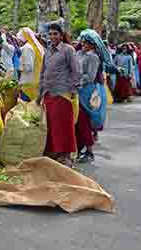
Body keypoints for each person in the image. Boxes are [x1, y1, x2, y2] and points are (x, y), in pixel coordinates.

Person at [38, 23, 81, 167]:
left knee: (64, 126)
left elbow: (76, 70)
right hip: (49, 93)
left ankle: (66, 155)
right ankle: (55, 153)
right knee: (52, 126)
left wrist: (74, 89)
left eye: (55, 34)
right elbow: (43, 73)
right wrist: (40, 94)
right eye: (50, 34)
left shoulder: (68, 50)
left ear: (61, 35)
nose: (52, 37)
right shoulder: (47, 52)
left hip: (63, 93)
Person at [75, 30, 108, 163]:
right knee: (78, 121)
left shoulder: (92, 57)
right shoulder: (79, 54)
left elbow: (90, 76)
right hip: (78, 89)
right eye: (82, 41)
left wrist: (76, 80)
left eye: (86, 42)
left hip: (86, 91)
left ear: (93, 44)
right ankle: (79, 149)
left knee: (84, 121)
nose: (83, 44)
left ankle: (89, 151)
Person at [17, 27, 45, 102]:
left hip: (27, 83)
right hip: (32, 82)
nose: (18, 41)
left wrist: (18, 67)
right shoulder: (32, 47)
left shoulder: (27, 48)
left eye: (19, 39)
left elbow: (28, 67)